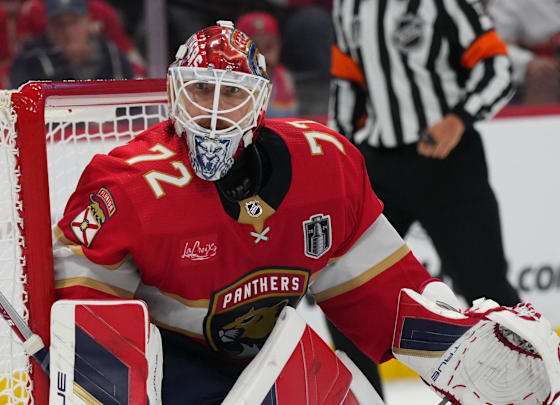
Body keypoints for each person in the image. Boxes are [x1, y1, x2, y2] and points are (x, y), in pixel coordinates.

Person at [51, 21, 557, 404]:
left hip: (268, 359)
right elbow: (91, 338)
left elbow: (383, 296)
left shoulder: (325, 168)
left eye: (233, 94)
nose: (212, 110)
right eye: (202, 88)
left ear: (261, 103)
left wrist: (453, 344)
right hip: (171, 370)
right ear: (175, 91)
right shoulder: (127, 187)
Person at [328, 0, 521, 395]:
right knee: (345, 294)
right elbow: (346, 85)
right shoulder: (348, 6)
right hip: (378, 165)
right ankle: (364, 400)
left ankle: (525, 391)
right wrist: (339, 158)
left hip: (449, 162)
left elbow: (497, 69)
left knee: (488, 289)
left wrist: (460, 118)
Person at [9, 0, 134, 88]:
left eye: (74, 22)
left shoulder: (113, 56)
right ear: (48, 25)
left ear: (88, 21)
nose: (67, 31)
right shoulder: (29, 60)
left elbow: (134, 108)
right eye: (59, 23)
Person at [487, 0, 560, 104]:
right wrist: (527, 62)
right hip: (543, 73)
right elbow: (494, 47)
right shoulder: (510, 2)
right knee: (543, 73)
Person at [236, 11, 299, 118]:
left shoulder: (285, 79)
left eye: (269, 47)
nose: (262, 56)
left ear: (279, 46)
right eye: (254, 48)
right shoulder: (228, 82)